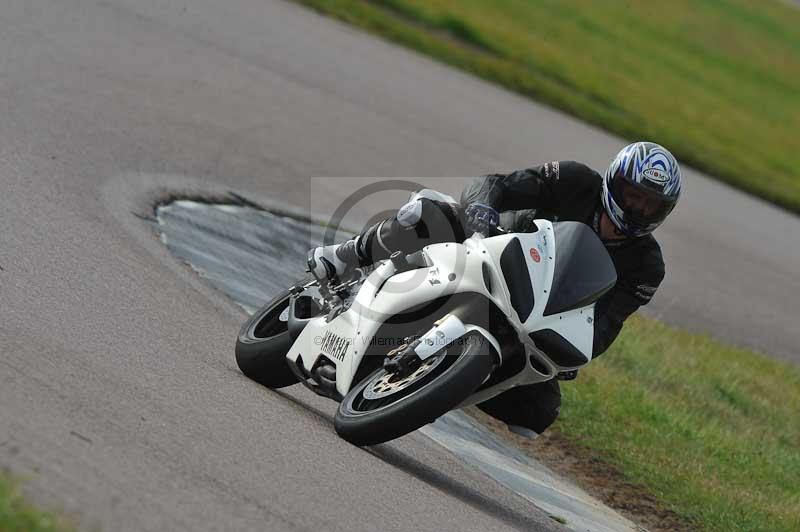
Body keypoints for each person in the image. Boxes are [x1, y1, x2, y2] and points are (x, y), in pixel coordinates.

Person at [307, 141, 682, 438]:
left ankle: (432, 390)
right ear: (613, 182)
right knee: (431, 213)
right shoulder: (574, 180)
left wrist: (575, 355)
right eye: (633, 195)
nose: (637, 208)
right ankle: (344, 256)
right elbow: (496, 184)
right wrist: (483, 210)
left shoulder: (646, 266)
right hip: (489, 251)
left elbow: (605, 325)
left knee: (538, 415)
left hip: (531, 317)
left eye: (650, 205)